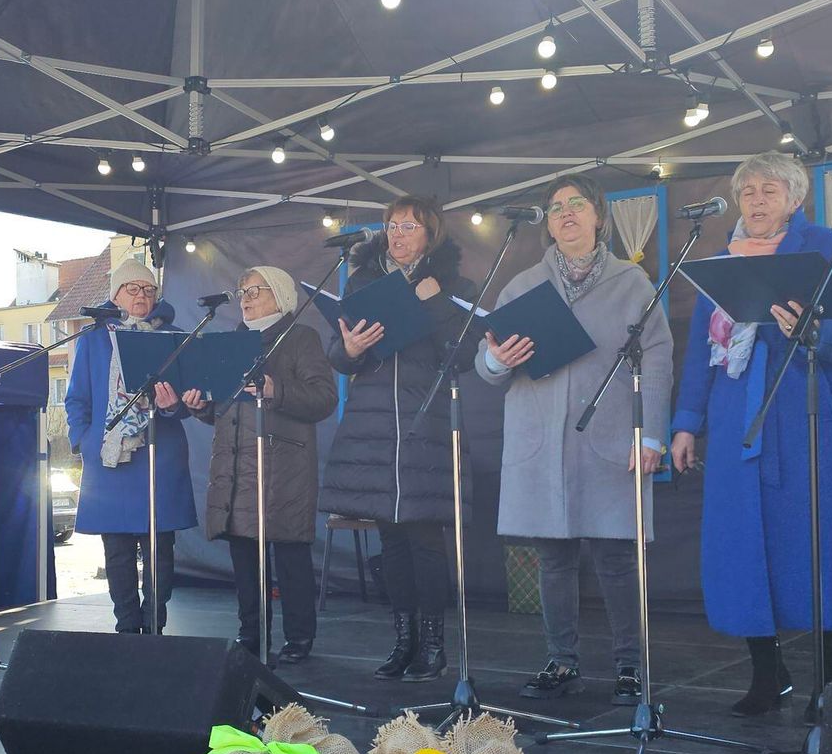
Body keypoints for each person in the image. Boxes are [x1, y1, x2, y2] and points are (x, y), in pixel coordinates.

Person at [670, 153, 832, 717]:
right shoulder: (720, 262)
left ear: (795, 198)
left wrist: (817, 330)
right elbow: (700, 354)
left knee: (823, 544)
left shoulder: (831, 248)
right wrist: (687, 422)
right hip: (738, 424)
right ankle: (769, 676)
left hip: (812, 418)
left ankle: (831, 683)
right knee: (743, 546)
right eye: (748, 192)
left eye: (770, 190)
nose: (757, 200)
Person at [475, 175, 672, 703]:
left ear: (598, 216)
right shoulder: (521, 286)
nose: (565, 213)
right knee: (553, 560)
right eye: (556, 206)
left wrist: (652, 434)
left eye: (576, 204)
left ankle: (630, 665)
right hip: (541, 440)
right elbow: (486, 366)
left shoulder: (633, 283)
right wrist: (497, 358)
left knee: (617, 561)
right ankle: (561, 661)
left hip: (611, 438)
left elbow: (658, 359)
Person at [318, 195, 471, 682]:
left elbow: (465, 353)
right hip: (375, 425)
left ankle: (433, 645)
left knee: (425, 537)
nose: (398, 234)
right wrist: (349, 349)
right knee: (390, 537)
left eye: (409, 226)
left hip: (425, 423)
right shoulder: (362, 282)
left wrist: (434, 301)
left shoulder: (453, 284)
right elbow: (340, 356)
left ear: (431, 234)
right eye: (392, 225)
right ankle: (403, 641)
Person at [167, 267, 338, 663]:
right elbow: (222, 410)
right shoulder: (231, 342)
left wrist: (278, 390)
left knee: (291, 557)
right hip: (237, 465)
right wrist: (201, 405)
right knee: (245, 556)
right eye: (242, 291)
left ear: (280, 295)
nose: (245, 298)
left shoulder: (300, 337)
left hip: (285, 466)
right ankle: (251, 633)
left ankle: (299, 638)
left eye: (255, 290)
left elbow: (325, 399)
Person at [64, 256, 195, 634]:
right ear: (115, 294)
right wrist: (84, 441)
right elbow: (76, 399)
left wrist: (172, 406)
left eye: (149, 289)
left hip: (159, 456)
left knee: (160, 550)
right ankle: (126, 628)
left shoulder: (173, 336)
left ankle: (154, 627)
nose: (142, 296)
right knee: (117, 551)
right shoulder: (92, 338)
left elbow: (188, 402)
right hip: (110, 458)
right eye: (133, 288)